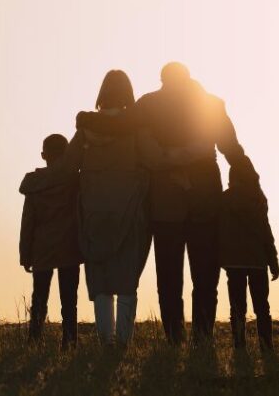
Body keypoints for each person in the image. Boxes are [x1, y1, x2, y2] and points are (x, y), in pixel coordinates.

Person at [78, 62, 254, 345]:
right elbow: (232, 149)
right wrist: (251, 182)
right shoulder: (211, 105)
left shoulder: (150, 103)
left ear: (163, 79)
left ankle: (174, 336)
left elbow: (118, 124)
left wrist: (86, 119)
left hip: (165, 203)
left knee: (170, 278)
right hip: (204, 199)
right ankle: (202, 334)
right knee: (205, 276)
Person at [75, 70, 182, 348]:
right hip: (130, 212)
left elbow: (65, 166)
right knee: (126, 279)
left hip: (94, 213)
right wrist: (184, 157)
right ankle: (122, 342)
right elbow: (155, 159)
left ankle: (105, 341)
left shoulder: (86, 128)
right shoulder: (136, 129)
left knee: (100, 278)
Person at [19, 133, 84, 349]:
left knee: (39, 297)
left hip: (42, 248)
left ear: (43, 155)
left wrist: (25, 253)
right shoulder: (74, 179)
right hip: (69, 245)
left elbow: (28, 222)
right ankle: (70, 339)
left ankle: (35, 338)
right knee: (69, 299)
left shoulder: (34, 184)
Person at [219, 155, 279, 349]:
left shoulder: (223, 200)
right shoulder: (257, 200)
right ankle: (266, 344)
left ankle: (239, 344)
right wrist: (273, 261)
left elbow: (217, 231)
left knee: (237, 307)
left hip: (234, 261)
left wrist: (219, 257)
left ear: (232, 179)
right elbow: (266, 233)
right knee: (262, 306)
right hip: (257, 261)